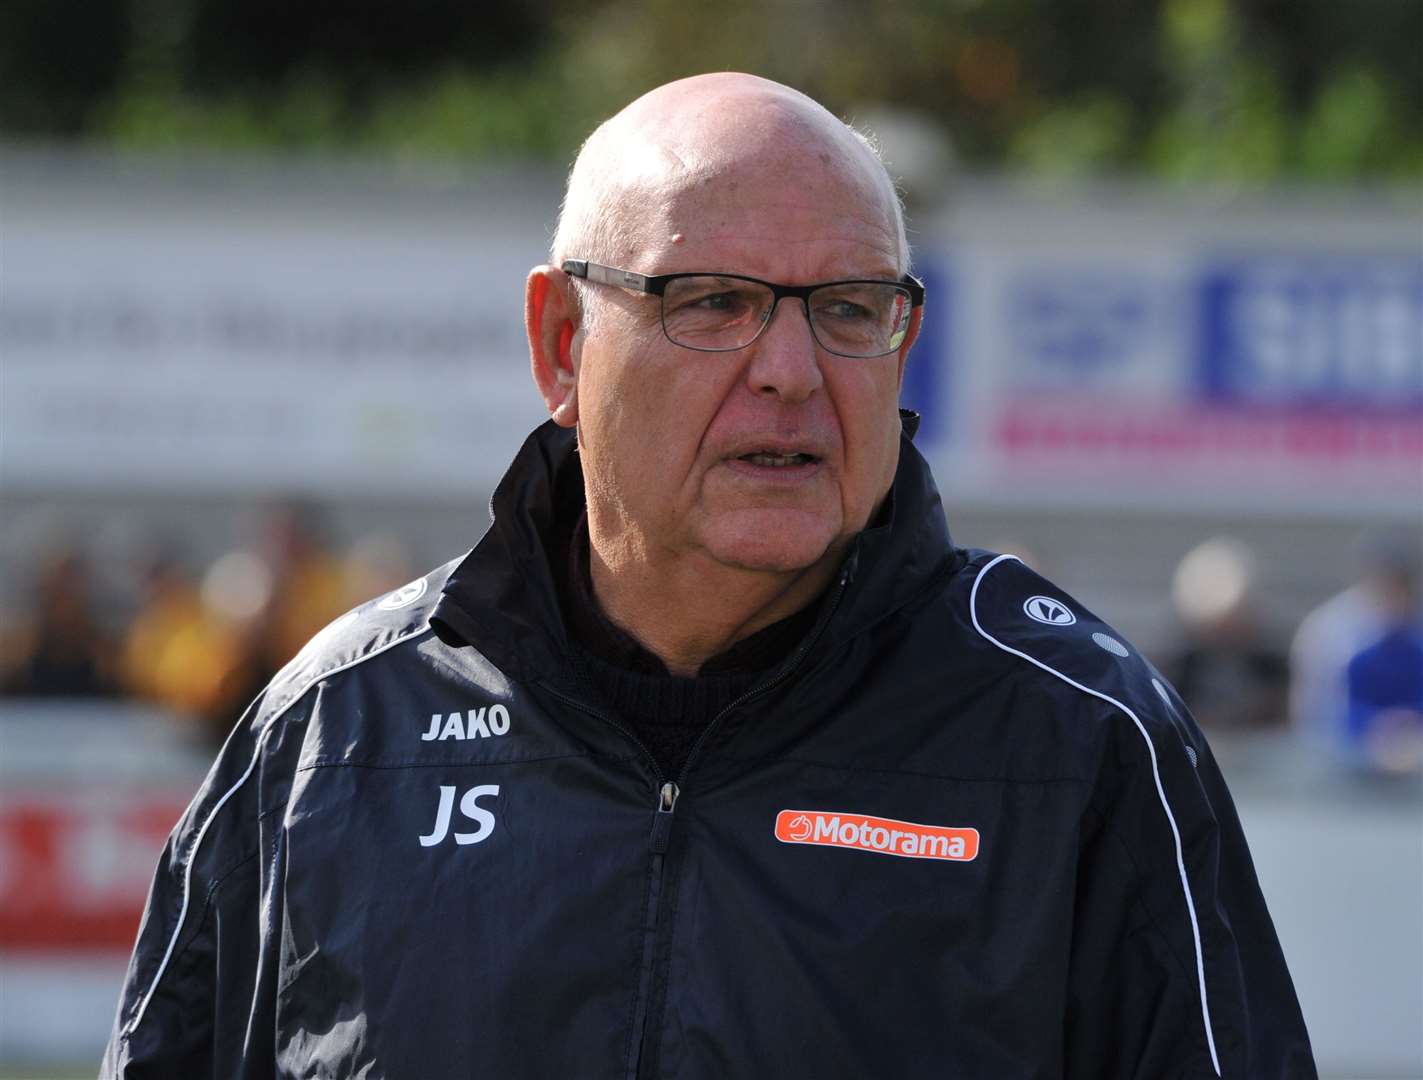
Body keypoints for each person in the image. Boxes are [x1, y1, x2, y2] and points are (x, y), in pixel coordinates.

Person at [102, 74, 1315, 1078]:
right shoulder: (334, 734)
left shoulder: (1075, 738)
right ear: (562, 345)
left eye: (847, 310)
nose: (791, 368)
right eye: (714, 302)